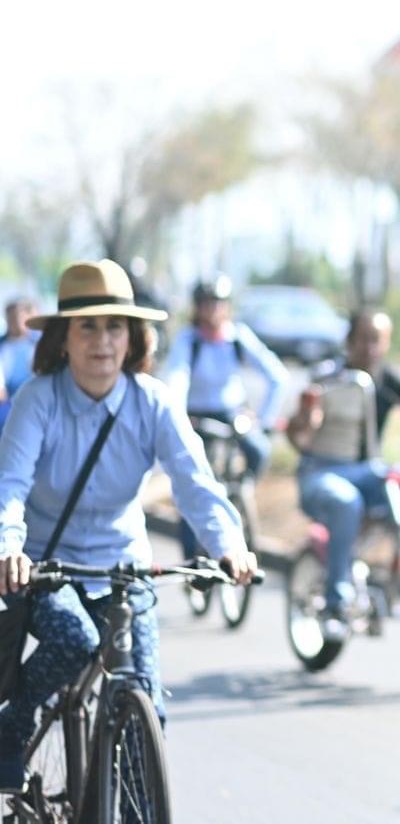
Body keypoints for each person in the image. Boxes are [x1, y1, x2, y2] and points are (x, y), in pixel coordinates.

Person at [0, 260, 256, 789]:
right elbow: (10, 487)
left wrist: (229, 545)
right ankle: (14, 719)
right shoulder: (37, 400)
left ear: (133, 336)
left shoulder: (153, 402)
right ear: (63, 339)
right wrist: (10, 546)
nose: (102, 341)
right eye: (87, 326)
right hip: (50, 565)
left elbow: (195, 483)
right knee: (73, 640)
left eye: (114, 326)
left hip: (125, 565)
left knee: (145, 699)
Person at [284, 308, 400, 643]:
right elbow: (298, 436)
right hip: (322, 471)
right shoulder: (328, 378)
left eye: (376, 339)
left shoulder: (386, 379)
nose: (369, 347)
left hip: (365, 471)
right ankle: (336, 603)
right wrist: (308, 416)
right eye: (362, 339)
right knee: (345, 502)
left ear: (386, 343)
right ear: (349, 341)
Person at [163, 275, 290, 566]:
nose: (213, 311)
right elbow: (177, 378)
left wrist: (263, 418)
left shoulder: (237, 337)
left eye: (218, 304)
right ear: (197, 308)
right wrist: (179, 417)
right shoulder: (188, 340)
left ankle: (238, 494)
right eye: (207, 304)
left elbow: (277, 376)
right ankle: (189, 558)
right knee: (192, 479)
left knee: (259, 450)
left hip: (232, 413)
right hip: (196, 416)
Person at [0, 299, 40, 435]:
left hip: (35, 402)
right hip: (6, 405)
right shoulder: (2, 345)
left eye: (19, 317)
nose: (16, 322)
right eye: (11, 318)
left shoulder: (39, 343)